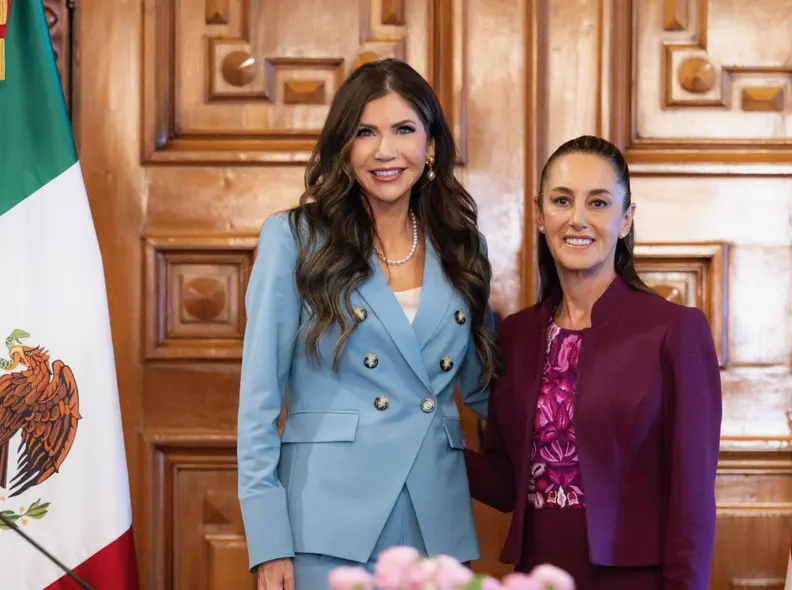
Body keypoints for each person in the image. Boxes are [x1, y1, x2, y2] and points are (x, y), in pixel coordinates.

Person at [237, 58, 501, 590]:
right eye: (365, 132)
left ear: (429, 145)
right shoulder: (294, 237)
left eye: (404, 130)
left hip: (435, 518)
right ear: (344, 147)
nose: (385, 151)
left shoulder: (460, 244)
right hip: (326, 520)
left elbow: (484, 389)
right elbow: (259, 399)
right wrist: (269, 541)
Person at [464, 135, 722, 589]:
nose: (578, 219)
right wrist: (424, 439)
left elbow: (692, 501)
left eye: (598, 203)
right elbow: (507, 483)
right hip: (535, 576)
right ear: (541, 215)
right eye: (562, 201)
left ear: (626, 220)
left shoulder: (676, 331)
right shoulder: (518, 334)